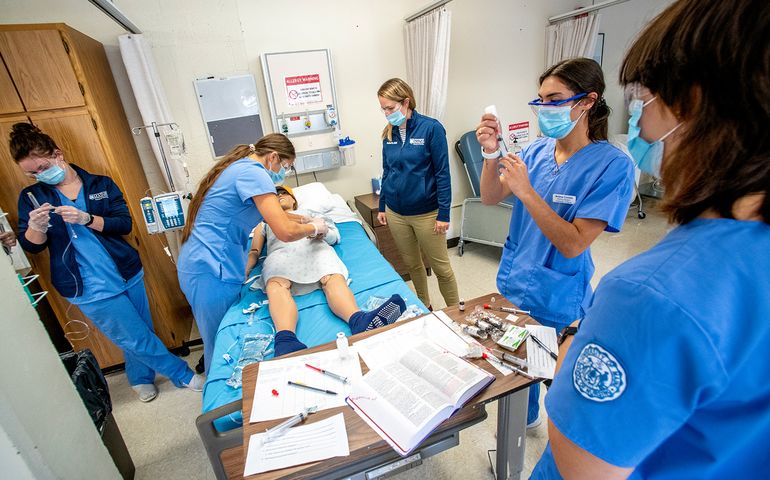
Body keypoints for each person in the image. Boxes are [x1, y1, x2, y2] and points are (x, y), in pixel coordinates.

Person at [531, 1, 770, 478]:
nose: (640, 119)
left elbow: (582, 465)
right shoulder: (536, 151)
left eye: (653, 96)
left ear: (697, 103)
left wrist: (575, 339)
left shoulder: (651, 294)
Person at [475, 58, 635, 427]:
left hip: (558, 292)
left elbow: (574, 244)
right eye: (540, 98)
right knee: (519, 359)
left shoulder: (612, 165)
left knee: (556, 376)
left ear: (587, 101)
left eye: (555, 98)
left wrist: (527, 191)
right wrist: (490, 153)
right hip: (515, 281)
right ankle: (524, 418)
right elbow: (489, 196)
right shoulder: (535, 150)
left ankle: (558, 428)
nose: (544, 108)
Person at [10, 123, 201, 402]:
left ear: (57, 154)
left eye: (42, 167)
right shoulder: (32, 197)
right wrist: (36, 226)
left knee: (138, 331)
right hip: (86, 285)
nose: (40, 175)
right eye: (32, 173)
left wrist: (86, 218)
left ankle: (139, 378)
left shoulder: (100, 184)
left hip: (126, 272)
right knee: (135, 337)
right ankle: (182, 375)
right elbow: (31, 246)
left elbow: (123, 224)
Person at [177, 134, 330, 373]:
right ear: (273, 157)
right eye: (286, 166)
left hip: (207, 261)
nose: (283, 174)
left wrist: (304, 217)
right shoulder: (254, 173)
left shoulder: (241, 169)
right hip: (208, 268)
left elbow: (275, 216)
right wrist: (313, 228)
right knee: (220, 344)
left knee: (221, 336)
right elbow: (285, 231)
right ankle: (224, 399)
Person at [245, 185, 406, 356]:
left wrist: (321, 233)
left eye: (284, 194)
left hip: (315, 248)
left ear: (294, 200)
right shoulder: (265, 222)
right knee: (276, 285)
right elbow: (254, 251)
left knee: (332, 278)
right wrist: (246, 269)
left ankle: (358, 320)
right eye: (275, 196)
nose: (279, 197)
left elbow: (335, 236)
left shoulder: (312, 214)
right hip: (282, 253)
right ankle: (286, 340)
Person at [377, 78, 459, 310]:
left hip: (427, 213)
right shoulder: (388, 134)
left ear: (406, 102)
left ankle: (455, 311)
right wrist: (383, 205)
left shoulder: (431, 128)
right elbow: (387, 171)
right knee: (412, 265)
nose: (386, 113)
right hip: (396, 212)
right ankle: (424, 307)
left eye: (390, 108)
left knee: (441, 268)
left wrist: (444, 213)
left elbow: (443, 173)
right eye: (383, 109)